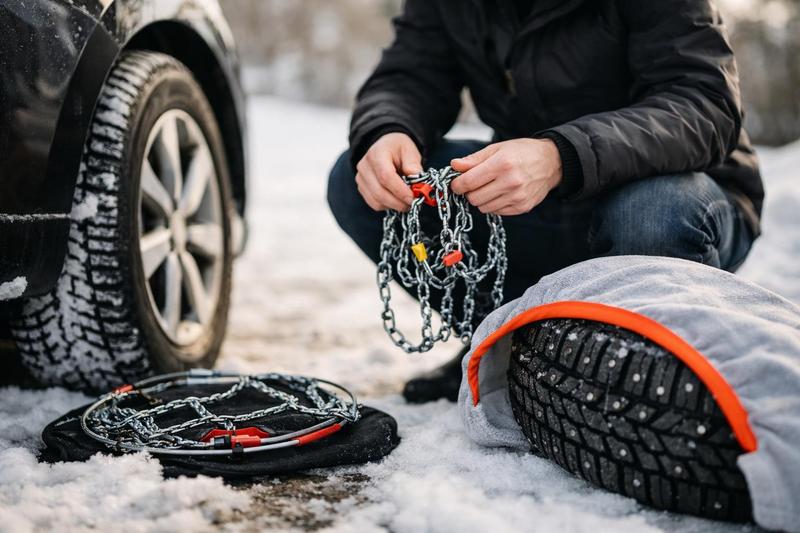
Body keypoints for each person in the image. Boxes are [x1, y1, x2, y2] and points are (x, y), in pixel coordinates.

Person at [327, 0, 763, 403]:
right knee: (356, 184)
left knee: (651, 212)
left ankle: (632, 370)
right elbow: (412, 74)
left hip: (678, 197)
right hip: (535, 203)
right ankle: (513, 346)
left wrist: (559, 156)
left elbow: (705, 105)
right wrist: (389, 129)